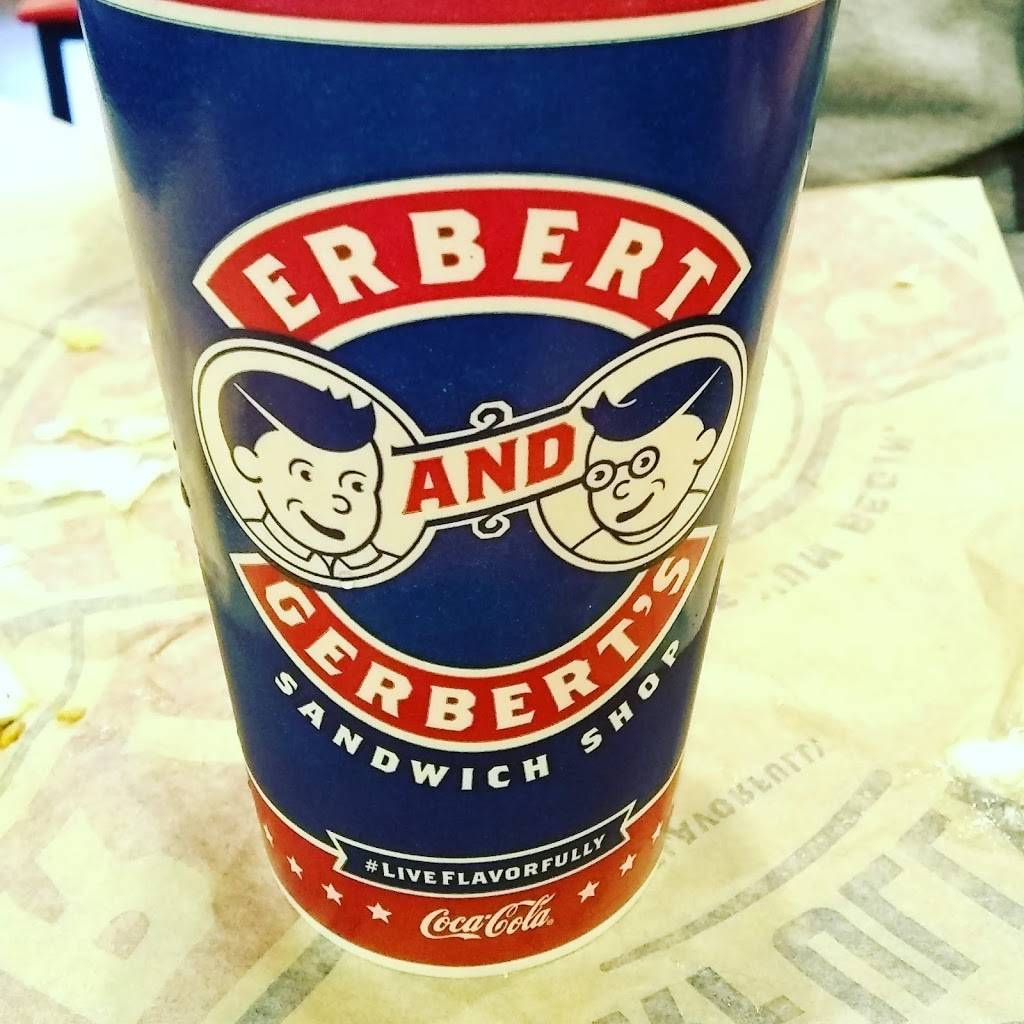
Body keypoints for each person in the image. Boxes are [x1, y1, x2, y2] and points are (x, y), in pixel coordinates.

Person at [218, 371, 397, 579]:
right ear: (249, 463)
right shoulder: (251, 544)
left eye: (356, 485)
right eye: (305, 474)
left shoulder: (380, 560)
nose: (341, 504)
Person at [572, 357, 732, 560]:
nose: (620, 489)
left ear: (703, 445)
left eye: (644, 463)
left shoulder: (700, 510)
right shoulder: (589, 544)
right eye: (601, 475)